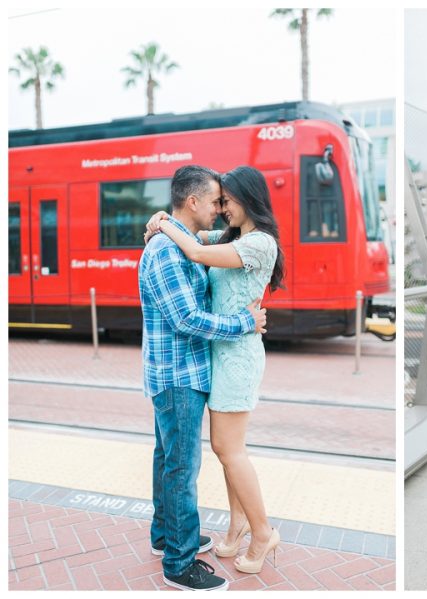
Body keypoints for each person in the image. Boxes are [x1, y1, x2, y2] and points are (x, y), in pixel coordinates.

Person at [145, 165, 285, 575]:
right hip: (216, 354)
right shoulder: (232, 237)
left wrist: (164, 221)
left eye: (227, 200)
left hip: (236, 356)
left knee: (229, 450)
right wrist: (164, 220)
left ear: (247, 198)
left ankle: (262, 532)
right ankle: (238, 525)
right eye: (217, 200)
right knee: (225, 453)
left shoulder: (259, 243)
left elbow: (197, 252)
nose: (221, 208)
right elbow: (195, 237)